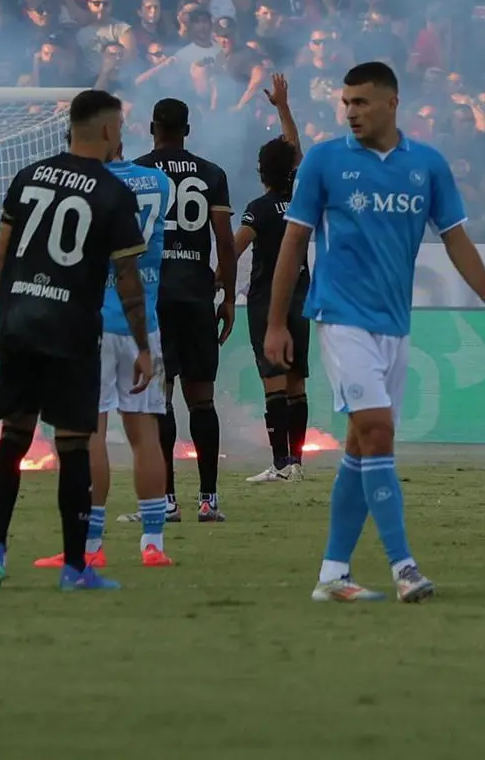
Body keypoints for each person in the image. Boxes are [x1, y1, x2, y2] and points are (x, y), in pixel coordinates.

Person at [265, 61, 485, 603]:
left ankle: (333, 575)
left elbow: (455, 238)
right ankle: (404, 567)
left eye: (360, 102)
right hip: (340, 318)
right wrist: (276, 321)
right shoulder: (325, 162)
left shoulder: (425, 165)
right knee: (378, 432)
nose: (350, 111)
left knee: (362, 447)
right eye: (345, 102)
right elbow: (292, 244)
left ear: (391, 104)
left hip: (395, 326)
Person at [0, 89, 151, 592]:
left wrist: (5, 320)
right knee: (74, 443)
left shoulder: (28, 176)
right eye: (118, 128)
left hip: (21, 321)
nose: (120, 137)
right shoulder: (113, 193)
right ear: (104, 130)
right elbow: (127, 278)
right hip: (70, 327)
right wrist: (143, 346)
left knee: (14, 437)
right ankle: (76, 568)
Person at [33, 142, 173, 570]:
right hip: (142, 322)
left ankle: (91, 546)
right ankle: (153, 543)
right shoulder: (160, 182)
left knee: (91, 431)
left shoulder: (85, 186)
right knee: (145, 432)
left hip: (91, 319)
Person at [135, 98, 236, 522]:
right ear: (188, 131)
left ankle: (167, 502)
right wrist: (228, 295)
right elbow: (226, 242)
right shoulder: (212, 174)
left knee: (161, 399)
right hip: (196, 294)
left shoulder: (137, 174)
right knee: (202, 400)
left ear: (151, 127)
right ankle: (209, 500)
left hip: (154, 295)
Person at [233, 75, 308, 483]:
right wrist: (282, 107)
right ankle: (295, 463)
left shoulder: (259, 209)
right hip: (301, 295)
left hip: (266, 301)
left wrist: (216, 278)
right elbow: (294, 149)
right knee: (297, 383)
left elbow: (235, 247)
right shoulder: (300, 199)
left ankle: (280, 464)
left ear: (261, 171)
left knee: (274, 383)